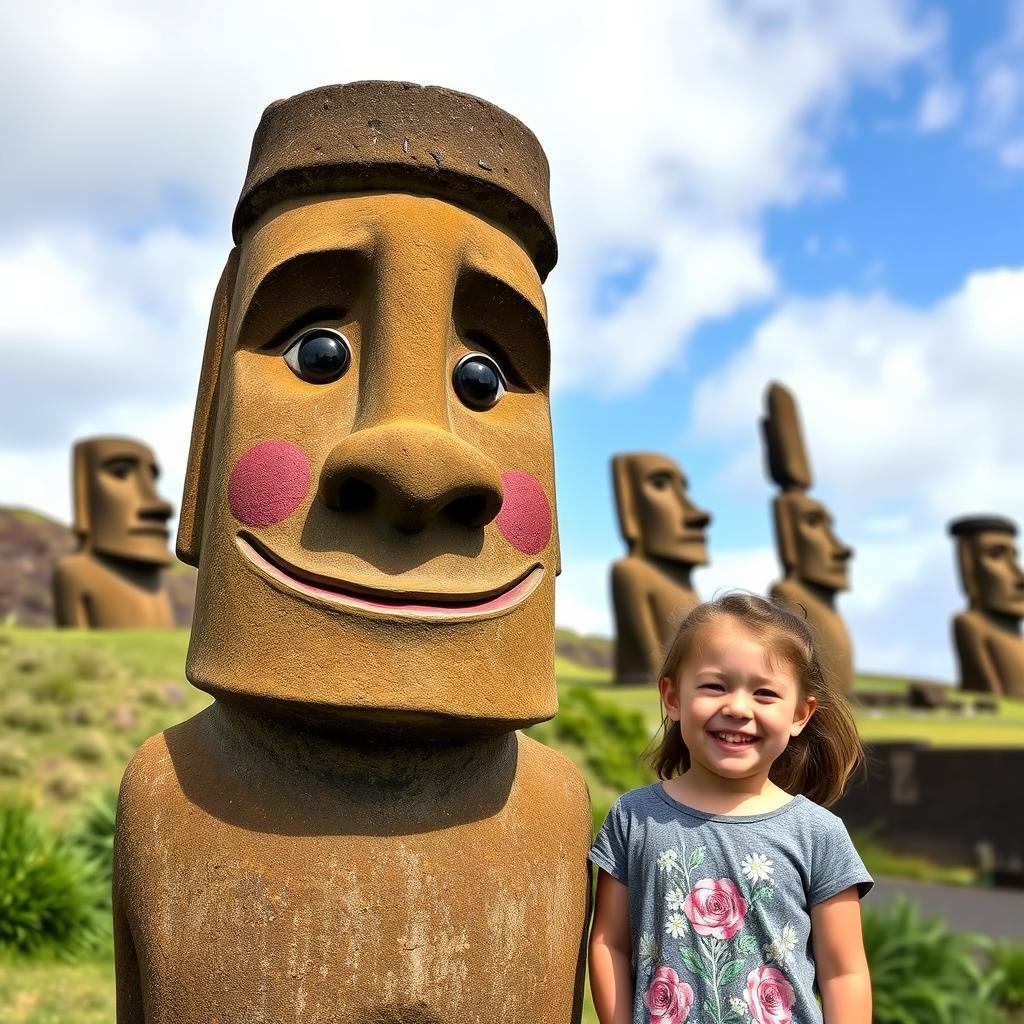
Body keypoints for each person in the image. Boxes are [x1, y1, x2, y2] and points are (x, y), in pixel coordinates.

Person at [589, 593, 871, 1024]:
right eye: (714, 686)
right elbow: (610, 943)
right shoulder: (633, 817)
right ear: (672, 698)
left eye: (764, 693)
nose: (738, 708)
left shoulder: (819, 834)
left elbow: (844, 974)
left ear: (800, 714)